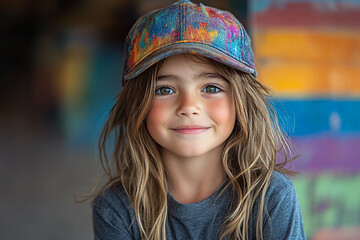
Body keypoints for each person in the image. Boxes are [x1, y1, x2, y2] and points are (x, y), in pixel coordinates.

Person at [91, 0, 305, 239]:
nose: (189, 107)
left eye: (211, 88)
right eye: (164, 90)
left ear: (242, 102)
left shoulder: (271, 198)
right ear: (137, 105)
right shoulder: (116, 208)